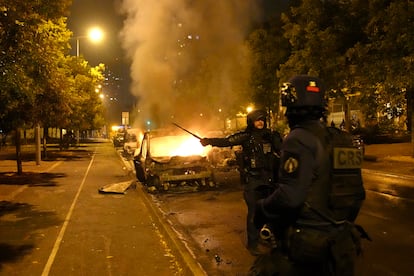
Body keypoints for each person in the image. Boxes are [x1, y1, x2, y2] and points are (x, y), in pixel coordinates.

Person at [250, 75, 367, 275]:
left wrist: (261, 209)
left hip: (308, 248)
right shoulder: (340, 139)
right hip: (341, 244)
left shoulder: (299, 139)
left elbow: (290, 197)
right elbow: (357, 194)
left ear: (290, 106)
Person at [200, 109, 282, 256]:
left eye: (262, 120)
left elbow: (282, 149)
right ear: (251, 122)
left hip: (269, 180)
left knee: (272, 212)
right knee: (254, 213)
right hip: (253, 180)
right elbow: (227, 141)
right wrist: (209, 141)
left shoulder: (271, 136)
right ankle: (253, 244)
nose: (260, 122)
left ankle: (272, 239)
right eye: (257, 120)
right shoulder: (246, 136)